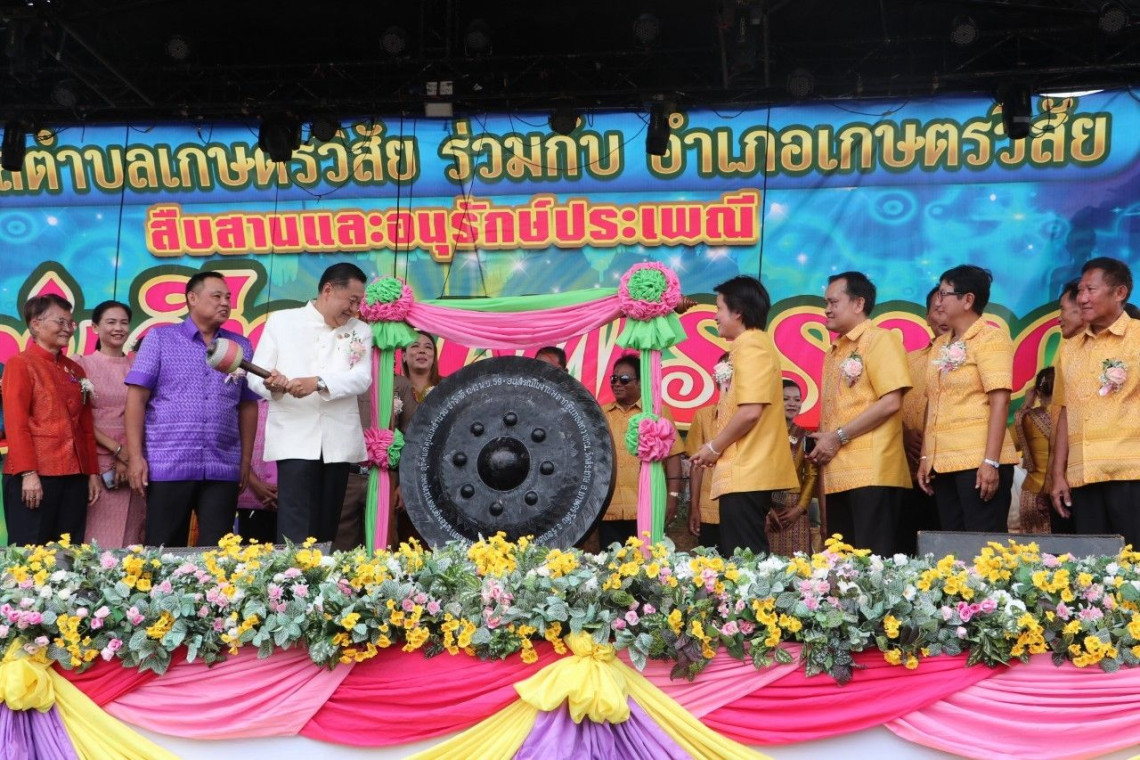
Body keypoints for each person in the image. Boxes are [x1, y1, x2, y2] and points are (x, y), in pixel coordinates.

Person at [125, 271, 258, 547]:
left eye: (228, 297)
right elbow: (136, 399)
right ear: (192, 298)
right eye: (217, 296)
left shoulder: (240, 346)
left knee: (218, 551)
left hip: (223, 465)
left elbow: (247, 406)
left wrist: (244, 462)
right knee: (163, 551)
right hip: (168, 462)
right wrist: (136, 458)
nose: (225, 303)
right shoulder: (160, 339)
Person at [247, 263, 372, 545]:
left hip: (338, 440)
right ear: (328, 290)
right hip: (294, 437)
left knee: (327, 525)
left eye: (359, 303)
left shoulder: (360, 330)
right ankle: (292, 573)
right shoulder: (282, 321)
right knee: (294, 523)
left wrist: (318, 382)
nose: (354, 309)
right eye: (351, 301)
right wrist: (272, 385)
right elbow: (255, 377)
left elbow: (361, 378)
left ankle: (321, 572)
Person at [690, 276, 797, 557]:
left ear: (738, 312)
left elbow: (750, 412)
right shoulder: (745, 346)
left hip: (748, 470)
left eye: (719, 308)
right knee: (740, 559)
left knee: (745, 563)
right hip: (744, 471)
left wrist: (714, 447)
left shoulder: (751, 346)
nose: (715, 316)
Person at [807, 272, 911, 556]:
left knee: (874, 564)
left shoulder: (880, 340)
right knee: (844, 566)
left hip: (873, 472)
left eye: (833, 302)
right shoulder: (834, 351)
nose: (827, 309)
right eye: (825, 303)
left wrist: (837, 437)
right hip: (838, 473)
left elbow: (891, 402)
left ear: (858, 303)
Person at [918, 265, 1018, 533]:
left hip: (978, 461)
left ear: (968, 300)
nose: (938, 301)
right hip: (943, 462)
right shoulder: (941, 345)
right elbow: (933, 403)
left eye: (944, 294)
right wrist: (926, 456)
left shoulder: (990, 338)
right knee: (953, 546)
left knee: (982, 544)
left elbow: (1000, 402)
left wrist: (991, 462)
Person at [1051, 257, 1140, 546]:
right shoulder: (1070, 348)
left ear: (1120, 293)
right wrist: (1058, 474)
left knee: (1134, 561)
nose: (1083, 298)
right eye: (1080, 291)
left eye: (1091, 290)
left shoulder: (1137, 338)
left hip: (1129, 472)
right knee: (1092, 564)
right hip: (1083, 474)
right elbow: (1066, 412)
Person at [2, 294, 100, 545]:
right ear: (36, 324)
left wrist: (91, 473)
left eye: (71, 323)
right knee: (30, 552)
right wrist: (28, 473)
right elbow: (16, 424)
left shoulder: (74, 370)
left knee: (68, 551)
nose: (68, 328)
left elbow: (86, 427)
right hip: (36, 473)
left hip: (75, 475)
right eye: (61, 322)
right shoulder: (20, 364)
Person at [73, 300, 146, 547]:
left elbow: (144, 413)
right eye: (111, 322)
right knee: (96, 540)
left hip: (134, 461)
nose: (118, 328)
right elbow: (78, 418)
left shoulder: (138, 365)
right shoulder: (81, 364)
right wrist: (117, 450)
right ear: (95, 327)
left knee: (132, 538)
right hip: (96, 462)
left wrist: (129, 456)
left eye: (124, 323)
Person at [599, 353, 683, 548]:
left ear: (640, 382)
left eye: (624, 379)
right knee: (610, 564)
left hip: (646, 508)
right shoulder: (601, 414)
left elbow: (673, 456)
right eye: (614, 378)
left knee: (647, 562)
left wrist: (672, 497)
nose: (617, 384)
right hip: (608, 508)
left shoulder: (656, 412)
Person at [898, 286, 948, 553]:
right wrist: (904, 434)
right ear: (927, 317)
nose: (943, 316)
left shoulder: (973, 356)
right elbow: (886, 405)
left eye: (947, 309)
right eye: (937, 310)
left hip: (952, 468)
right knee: (909, 545)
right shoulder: (907, 362)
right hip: (910, 469)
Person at [768, 379, 817, 556]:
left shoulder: (807, 436)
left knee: (798, 562)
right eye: (786, 399)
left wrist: (799, 509)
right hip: (766, 506)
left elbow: (812, 475)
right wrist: (767, 509)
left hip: (795, 506)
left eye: (797, 399)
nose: (792, 404)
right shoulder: (764, 434)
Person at [686, 351, 730, 549]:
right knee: (708, 564)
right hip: (708, 508)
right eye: (724, 375)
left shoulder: (753, 417)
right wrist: (694, 507)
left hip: (742, 507)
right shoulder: (703, 416)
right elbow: (696, 466)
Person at [1011, 367, 1054, 534]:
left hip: (1032, 494)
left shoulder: (1026, 418)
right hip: (1063, 490)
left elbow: (1010, 443)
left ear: (1037, 392)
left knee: (1034, 546)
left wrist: (1026, 405)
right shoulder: (1070, 417)